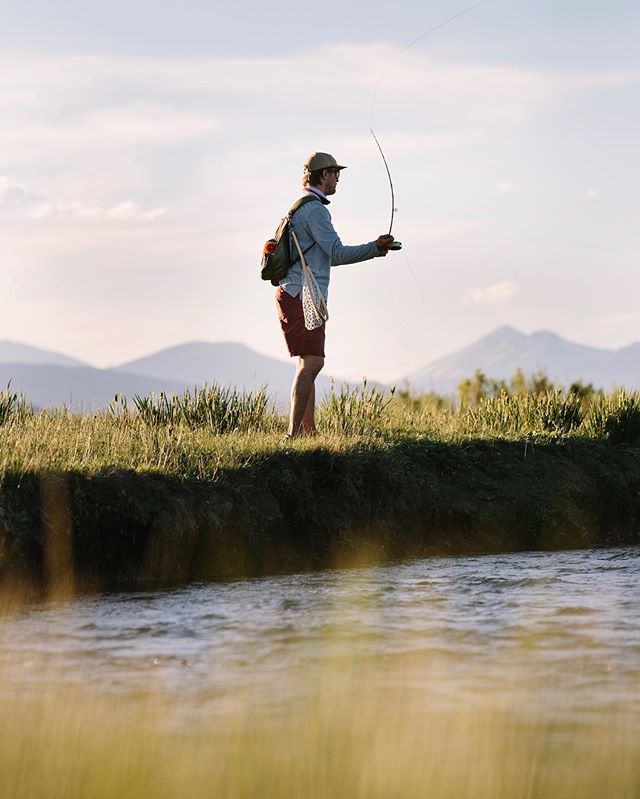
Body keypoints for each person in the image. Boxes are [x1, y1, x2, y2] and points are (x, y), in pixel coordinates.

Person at [275, 151, 395, 437]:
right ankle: (293, 434)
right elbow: (337, 253)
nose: (338, 179)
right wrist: (376, 248)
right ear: (324, 175)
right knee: (314, 362)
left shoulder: (301, 206)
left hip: (296, 292)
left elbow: (330, 256)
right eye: (335, 174)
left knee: (308, 361)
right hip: (301, 295)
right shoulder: (316, 210)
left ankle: (309, 430)